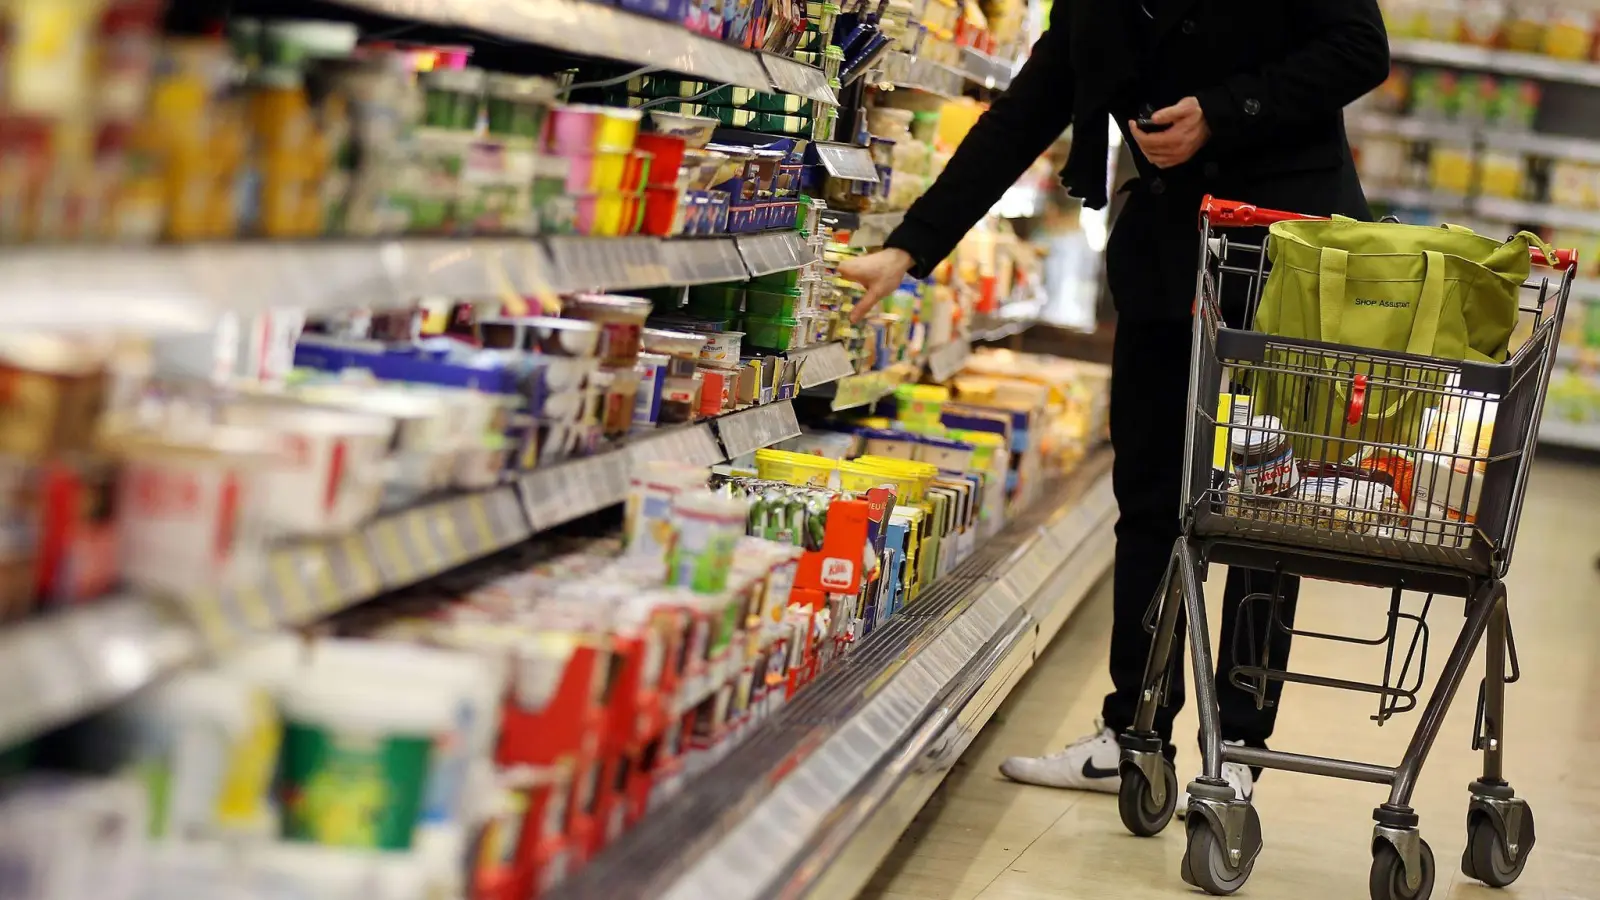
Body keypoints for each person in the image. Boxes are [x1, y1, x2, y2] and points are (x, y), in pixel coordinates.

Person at [840, 1, 1390, 804]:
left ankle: (1239, 743)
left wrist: (1221, 112)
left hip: (1287, 257)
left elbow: (1358, 48)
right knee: (1149, 496)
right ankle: (1134, 733)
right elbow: (1030, 106)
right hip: (1169, 252)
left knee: (1265, 507)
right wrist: (910, 246)